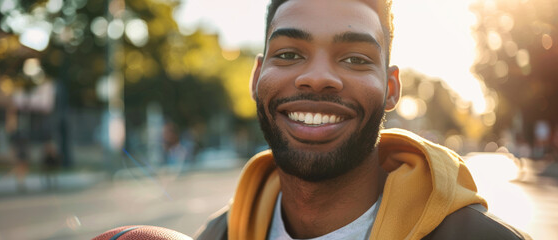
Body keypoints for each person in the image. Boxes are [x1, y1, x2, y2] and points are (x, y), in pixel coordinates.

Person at [196, 0, 531, 239]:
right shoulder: (216, 235)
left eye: (355, 59)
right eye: (288, 54)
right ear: (256, 77)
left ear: (391, 88)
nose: (317, 77)